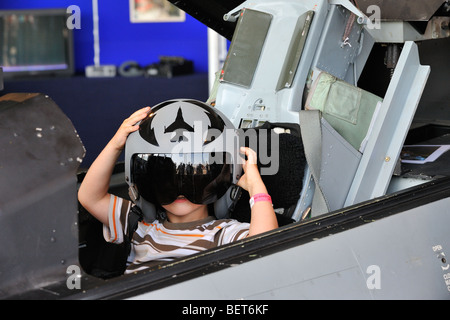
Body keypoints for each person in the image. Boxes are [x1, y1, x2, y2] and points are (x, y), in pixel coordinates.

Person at [78, 100, 278, 274]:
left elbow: (265, 249)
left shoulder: (223, 234)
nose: (180, 189)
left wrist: (255, 186)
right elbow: (89, 197)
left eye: (195, 177)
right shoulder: (136, 226)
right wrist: (116, 145)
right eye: (166, 179)